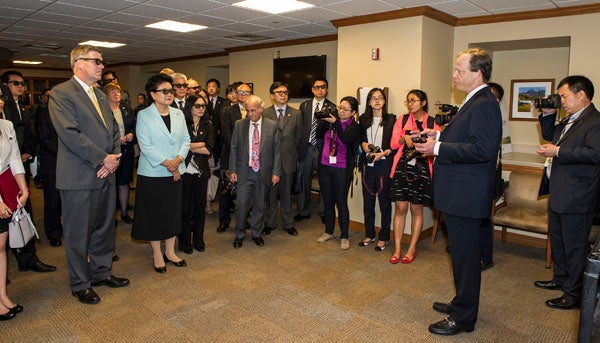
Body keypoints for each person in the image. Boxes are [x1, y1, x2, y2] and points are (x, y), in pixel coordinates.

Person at [413, 48, 501, 335]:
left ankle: (464, 318)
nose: (454, 75)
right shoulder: (472, 100)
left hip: (466, 195)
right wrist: (438, 135)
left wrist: (436, 148)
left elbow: (482, 149)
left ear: (478, 73)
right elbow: (465, 136)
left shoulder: (485, 103)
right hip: (459, 193)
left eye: (459, 70)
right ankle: (462, 301)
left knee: (465, 256)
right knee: (461, 254)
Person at [49, 45, 130, 305]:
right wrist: (102, 158)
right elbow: (70, 134)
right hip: (79, 176)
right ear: (78, 63)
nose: (101, 66)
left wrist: (114, 159)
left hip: (106, 173)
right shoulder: (62, 93)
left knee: (105, 228)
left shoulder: (99, 94)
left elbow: (113, 132)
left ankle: (101, 272)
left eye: (102, 61)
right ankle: (80, 283)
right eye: (96, 61)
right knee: (78, 233)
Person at [534, 75, 600, 310]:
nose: (561, 101)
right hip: (560, 191)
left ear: (581, 94)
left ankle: (573, 294)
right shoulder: (571, 119)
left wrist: (559, 151)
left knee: (574, 246)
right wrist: (549, 116)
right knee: (559, 241)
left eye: (564, 96)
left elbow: (595, 154)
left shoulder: (594, 121)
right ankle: (560, 280)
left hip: (577, 195)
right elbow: (551, 136)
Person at [131, 73, 190, 273]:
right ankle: (157, 253)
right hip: (153, 173)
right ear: (153, 94)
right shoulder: (144, 115)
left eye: (171, 91)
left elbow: (186, 141)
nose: (169, 94)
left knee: (172, 213)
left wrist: (178, 160)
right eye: (164, 91)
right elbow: (146, 146)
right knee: (155, 215)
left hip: (175, 172)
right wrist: (168, 163)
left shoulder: (178, 114)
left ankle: (170, 251)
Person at [388, 90, 439, 264]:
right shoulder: (401, 120)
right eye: (408, 101)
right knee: (400, 208)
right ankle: (397, 248)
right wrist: (404, 138)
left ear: (423, 102)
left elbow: (438, 146)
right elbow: (393, 144)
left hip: (422, 167)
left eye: (414, 100)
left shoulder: (432, 122)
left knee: (416, 209)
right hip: (402, 166)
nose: (410, 104)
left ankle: (411, 249)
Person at [229, 95, 281, 249]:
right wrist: (232, 169)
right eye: (247, 110)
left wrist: (276, 172)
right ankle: (239, 234)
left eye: (253, 111)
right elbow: (234, 148)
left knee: (259, 205)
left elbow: (277, 151)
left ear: (261, 110)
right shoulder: (240, 125)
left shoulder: (272, 125)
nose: (249, 114)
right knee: (241, 205)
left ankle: (256, 233)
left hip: (263, 173)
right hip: (245, 171)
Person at [315, 96, 361, 250]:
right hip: (325, 165)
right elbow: (318, 134)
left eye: (345, 109)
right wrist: (324, 120)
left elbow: (346, 139)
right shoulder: (330, 122)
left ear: (353, 112)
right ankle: (328, 231)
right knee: (327, 200)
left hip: (342, 168)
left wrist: (336, 123)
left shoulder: (355, 126)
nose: (341, 111)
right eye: (340, 107)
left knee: (341, 202)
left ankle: (344, 235)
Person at [0, 90, 28, 320]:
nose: (0, 101)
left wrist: (24, 188)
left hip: (6, 184)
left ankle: (2, 295)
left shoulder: (6, 125)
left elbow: (14, 158)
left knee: (1, 247)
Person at [262, 81, 302, 236]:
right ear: (272, 96)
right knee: (271, 195)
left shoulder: (296, 113)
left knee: (286, 195)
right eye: (279, 92)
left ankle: (288, 223)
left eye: (285, 92)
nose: (283, 95)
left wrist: (290, 153)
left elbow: (298, 138)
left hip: (288, 161)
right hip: (270, 162)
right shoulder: (265, 113)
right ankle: (269, 223)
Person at [179, 95, 214, 254]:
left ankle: (199, 240)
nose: (201, 108)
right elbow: (178, 146)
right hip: (184, 171)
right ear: (190, 107)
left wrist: (189, 146)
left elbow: (209, 149)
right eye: (197, 105)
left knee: (199, 207)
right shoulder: (182, 123)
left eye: (203, 106)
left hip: (201, 171)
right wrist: (199, 144)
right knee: (185, 207)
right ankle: (185, 241)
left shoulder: (208, 125)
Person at [297, 77, 334, 223]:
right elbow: (300, 127)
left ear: (327, 89)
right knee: (304, 181)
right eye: (317, 87)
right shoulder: (304, 106)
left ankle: (324, 211)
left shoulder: (332, 107)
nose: (320, 89)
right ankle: (303, 210)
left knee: (324, 182)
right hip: (305, 148)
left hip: (322, 149)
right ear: (312, 89)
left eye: (323, 87)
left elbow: (332, 130)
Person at [217, 82, 252, 234]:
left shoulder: (255, 111)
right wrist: (241, 150)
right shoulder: (227, 111)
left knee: (246, 191)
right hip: (230, 156)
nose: (243, 95)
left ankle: (244, 220)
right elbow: (226, 134)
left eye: (247, 92)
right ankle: (224, 221)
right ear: (236, 94)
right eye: (240, 92)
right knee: (226, 192)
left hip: (250, 159)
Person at [103, 82, 135, 224]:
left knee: (124, 182)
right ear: (106, 95)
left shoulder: (126, 109)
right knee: (110, 185)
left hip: (126, 151)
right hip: (109, 152)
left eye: (118, 92)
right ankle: (110, 216)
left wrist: (131, 135)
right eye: (113, 92)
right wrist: (115, 140)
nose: (117, 94)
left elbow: (135, 127)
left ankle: (123, 212)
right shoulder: (101, 110)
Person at [34, 87, 63, 247]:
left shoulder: (69, 111)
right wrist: (66, 154)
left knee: (69, 201)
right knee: (52, 201)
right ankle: (53, 233)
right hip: (52, 163)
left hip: (71, 165)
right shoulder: (43, 113)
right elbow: (44, 138)